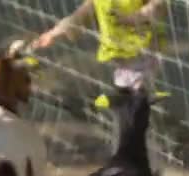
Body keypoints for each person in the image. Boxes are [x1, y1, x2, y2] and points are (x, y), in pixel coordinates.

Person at [31, 0, 166, 154]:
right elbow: (85, 11)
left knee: (133, 108)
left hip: (143, 51)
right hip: (120, 54)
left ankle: (135, 159)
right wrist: (56, 32)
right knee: (128, 109)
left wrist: (137, 17)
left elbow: (159, 5)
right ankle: (134, 157)